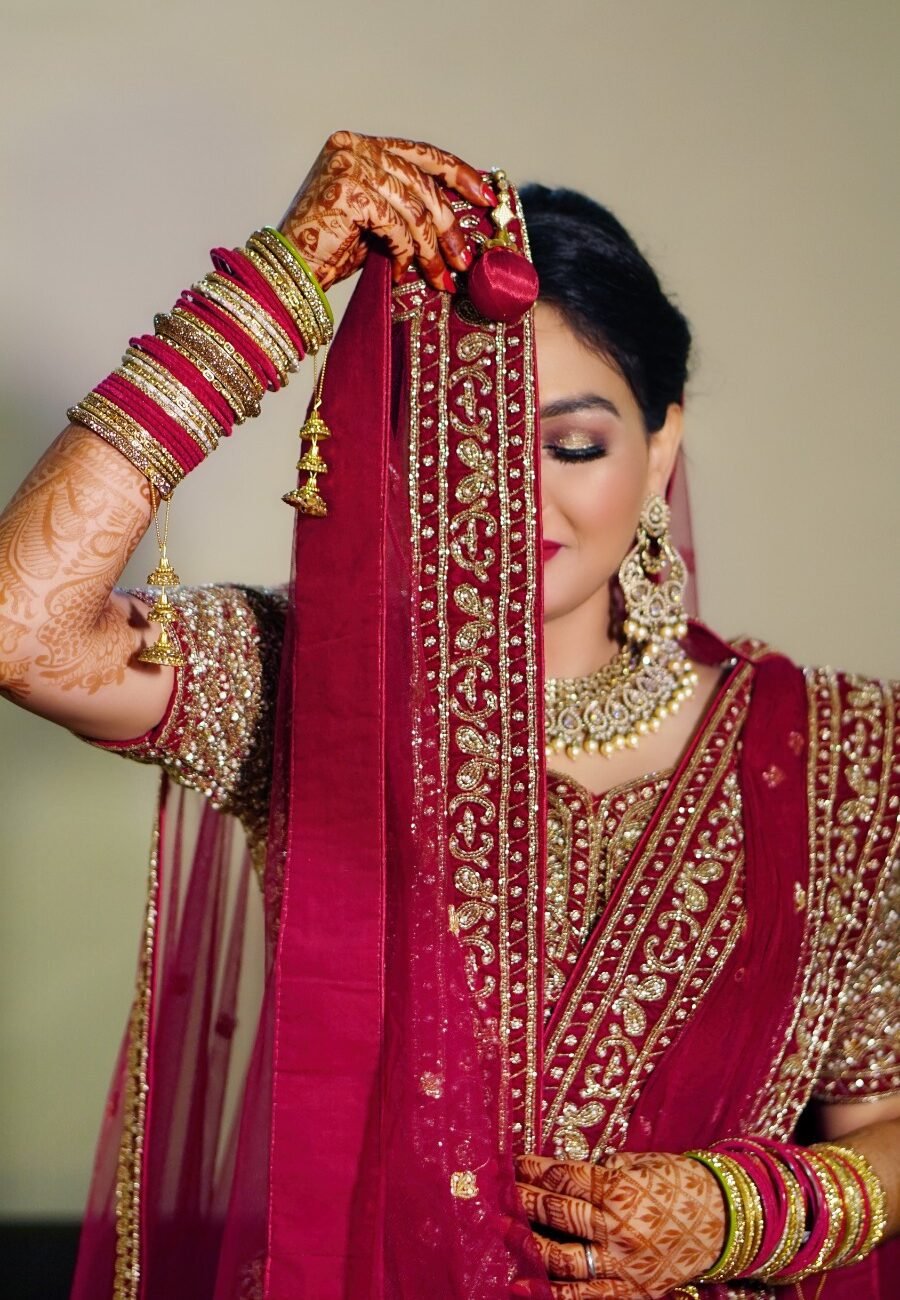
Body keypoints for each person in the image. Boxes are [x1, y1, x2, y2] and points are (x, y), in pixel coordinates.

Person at [0, 131, 897, 1300]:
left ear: (661, 445)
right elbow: (22, 629)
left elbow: (880, 1113)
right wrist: (277, 278)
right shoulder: (311, 685)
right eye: (464, 445)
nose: (516, 496)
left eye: (572, 443)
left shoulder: (846, 754)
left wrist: (737, 1214)